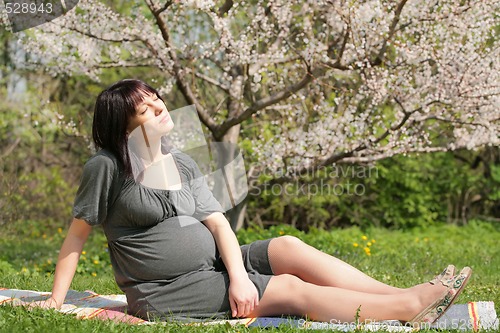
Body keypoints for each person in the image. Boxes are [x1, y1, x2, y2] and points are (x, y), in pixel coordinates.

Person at [32, 79, 471, 327]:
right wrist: (57, 301)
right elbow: (76, 238)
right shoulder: (106, 167)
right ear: (123, 126)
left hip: (211, 268)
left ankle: (405, 295)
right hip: (165, 291)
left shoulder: (180, 161)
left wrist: (240, 277)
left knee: (288, 247)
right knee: (287, 290)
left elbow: (218, 223)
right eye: (145, 110)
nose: (160, 109)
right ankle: (409, 308)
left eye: (157, 100)